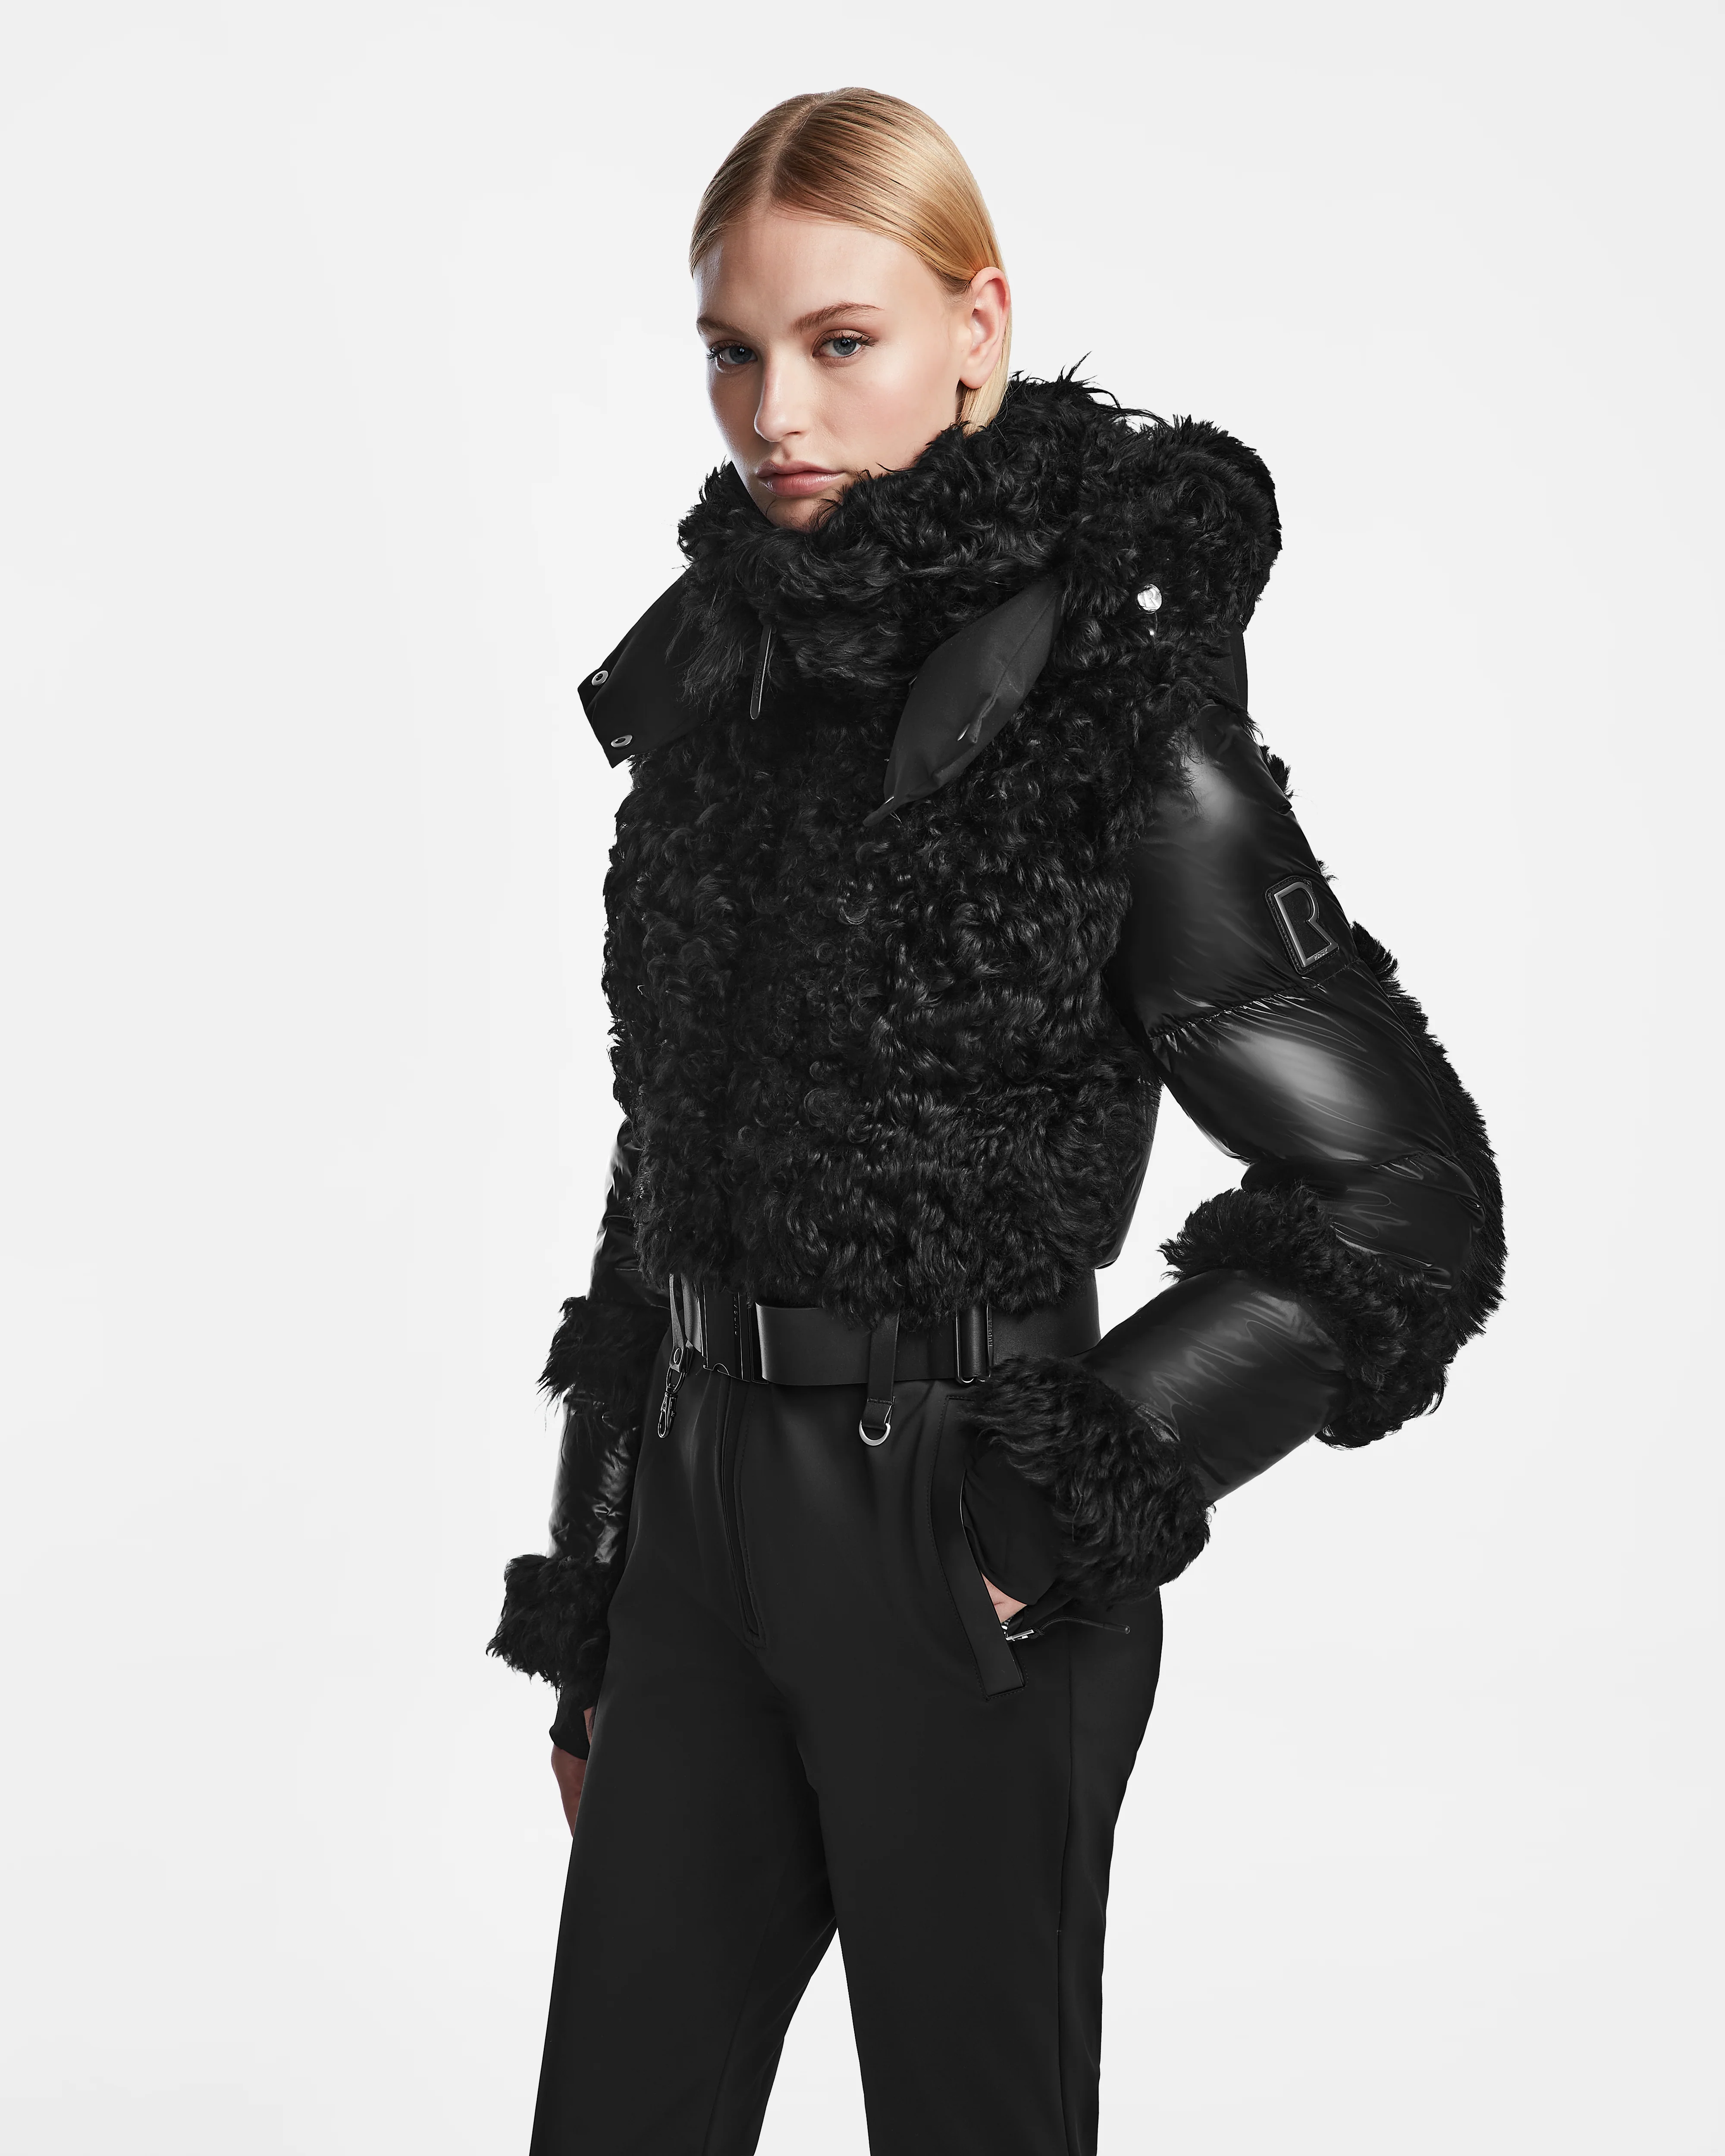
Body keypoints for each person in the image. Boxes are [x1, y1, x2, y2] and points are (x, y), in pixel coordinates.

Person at [488, 85, 1505, 2156]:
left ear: (978, 327)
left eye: (839, 340)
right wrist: (600, 1589)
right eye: (733, 349)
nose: (775, 410)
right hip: (696, 1528)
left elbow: (1403, 1193)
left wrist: (1041, 1512)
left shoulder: (1103, 714)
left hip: (949, 1521)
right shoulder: (725, 689)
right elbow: (660, 1157)